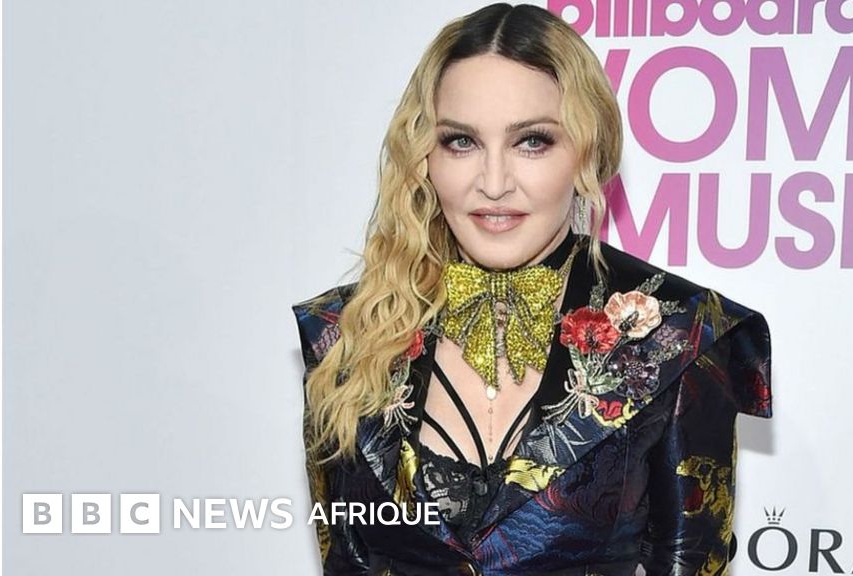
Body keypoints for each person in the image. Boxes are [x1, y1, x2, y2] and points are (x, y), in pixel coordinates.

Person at [292, 3, 772, 575]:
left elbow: (690, 563)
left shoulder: (676, 334)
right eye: (461, 141)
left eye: (533, 141)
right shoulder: (345, 333)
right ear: (424, 157)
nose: (494, 183)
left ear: (588, 152)